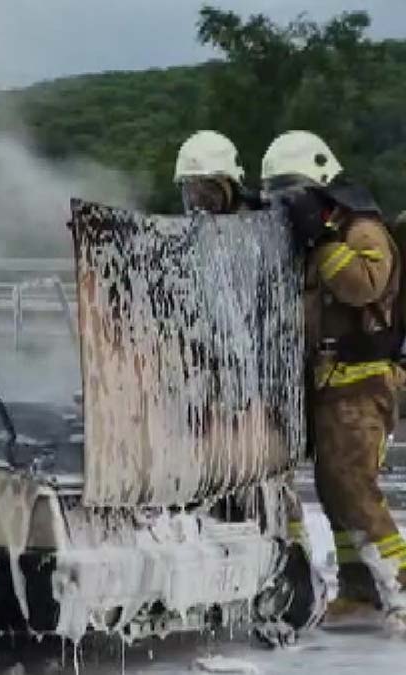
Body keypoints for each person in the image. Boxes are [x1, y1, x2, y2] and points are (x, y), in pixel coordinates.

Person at [175, 131, 320, 641]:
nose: (200, 204)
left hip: (265, 381)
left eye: (208, 192)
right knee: (218, 482)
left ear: (230, 184)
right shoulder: (194, 240)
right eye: (192, 193)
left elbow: (276, 310)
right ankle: (227, 584)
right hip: (215, 380)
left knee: (271, 486)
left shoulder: (265, 232)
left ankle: (294, 579)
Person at [262, 130, 406, 632]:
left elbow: (366, 285)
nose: (287, 205)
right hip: (330, 383)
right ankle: (359, 589)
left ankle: (401, 585)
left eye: (292, 193)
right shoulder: (315, 237)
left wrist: (323, 241)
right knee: (331, 486)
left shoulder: (359, 231)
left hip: (363, 380)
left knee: (354, 485)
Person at [174, 130, 252, 214]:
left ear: (231, 185)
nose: (195, 199)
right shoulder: (187, 225)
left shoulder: (258, 224)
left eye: (208, 190)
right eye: (189, 190)